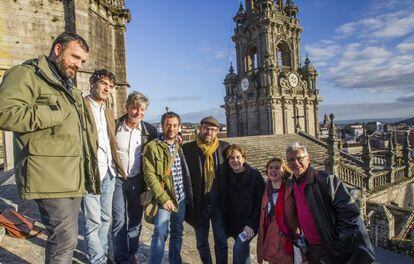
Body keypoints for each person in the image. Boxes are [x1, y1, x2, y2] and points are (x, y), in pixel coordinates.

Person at [0, 32, 89, 263]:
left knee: (66, 241)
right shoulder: (26, 74)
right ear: (58, 50)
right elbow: (6, 113)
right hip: (48, 174)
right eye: (75, 57)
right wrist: (54, 113)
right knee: (63, 241)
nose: (78, 65)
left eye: (82, 61)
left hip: (72, 175)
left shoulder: (68, 85)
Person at [286, 142, 375, 264]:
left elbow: (350, 213)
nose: (295, 163)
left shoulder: (325, 180)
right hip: (311, 247)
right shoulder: (293, 184)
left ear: (308, 159)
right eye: (291, 160)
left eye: (299, 158)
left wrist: (339, 244)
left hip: (329, 246)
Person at [82, 69, 127, 263]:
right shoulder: (81, 106)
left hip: (109, 171)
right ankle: (97, 259)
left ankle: (104, 253)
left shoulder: (108, 111)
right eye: (103, 84)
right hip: (90, 171)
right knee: (92, 222)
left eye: (110, 86)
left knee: (106, 218)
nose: (107, 88)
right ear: (92, 83)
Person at [112, 91, 157, 263]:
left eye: (142, 110)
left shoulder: (149, 130)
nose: (138, 113)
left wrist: (178, 139)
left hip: (138, 181)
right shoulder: (114, 126)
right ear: (127, 108)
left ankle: (132, 252)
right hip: (117, 179)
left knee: (135, 220)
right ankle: (121, 258)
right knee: (118, 220)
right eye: (135, 109)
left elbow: (160, 145)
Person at [142, 111, 193, 264]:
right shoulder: (152, 147)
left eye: (175, 125)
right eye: (168, 125)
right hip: (163, 198)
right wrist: (164, 198)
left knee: (177, 234)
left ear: (179, 127)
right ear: (162, 126)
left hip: (181, 198)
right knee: (160, 233)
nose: (171, 128)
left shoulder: (180, 145)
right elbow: (149, 175)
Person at [182, 116, 229, 264]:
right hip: (199, 204)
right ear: (200, 128)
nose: (209, 132)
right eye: (206, 128)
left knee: (221, 241)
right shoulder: (187, 149)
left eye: (213, 129)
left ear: (217, 131)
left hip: (219, 204)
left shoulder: (224, 148)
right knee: (202, 242)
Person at [223, 144, 264, 264]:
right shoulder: (226, 176)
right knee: (243, 251)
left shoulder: (254, 175)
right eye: (231, 158)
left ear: (243, 159)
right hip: (235, 222)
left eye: (238, 157)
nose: (235, 160)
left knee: (239, 247)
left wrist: (251, 224)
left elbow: (260, 203)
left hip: (251, 222)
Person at [257, 157, 301, 264]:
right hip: (271, 239)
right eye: (270, 168)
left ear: (284, 170)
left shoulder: (292, 188)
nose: (273, 170)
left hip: (287, 239)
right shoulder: (265, 189)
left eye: (277, 168)